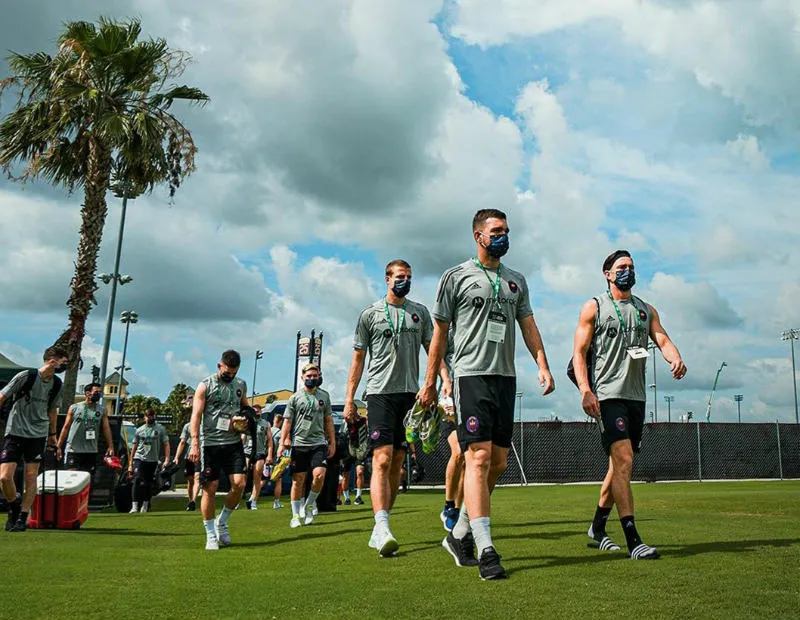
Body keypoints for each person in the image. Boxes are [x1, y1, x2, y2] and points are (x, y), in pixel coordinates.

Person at [419, 208, 555, 580]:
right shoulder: (455, 277)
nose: (503, 236)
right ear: (478, 235)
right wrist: (431, 382)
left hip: (504, 379)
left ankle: (460, 533)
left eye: (506, 231)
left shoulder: (516, 281)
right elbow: (439, 336)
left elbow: (528, 324)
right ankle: (486, 548)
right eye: (496, 231)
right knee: (476, 459)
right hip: (469, 376)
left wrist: (542, 365)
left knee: (497, 463)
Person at [572, 249, 686, 560]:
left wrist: (674, 356)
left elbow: (661, 338)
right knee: (623, 460)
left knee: (619, 465)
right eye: (621, 267)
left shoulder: (645, 309)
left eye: (631, 267)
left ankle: (597, 527)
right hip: (608, 394)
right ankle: (633, 540)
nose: (627, 271)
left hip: (637, 397)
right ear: (607, 274)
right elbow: (579, 353)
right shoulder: (594, 307)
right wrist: (585, 389)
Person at [344, 258, 450, 557]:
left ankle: (382, 524)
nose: (406, 281)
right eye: (400, 276)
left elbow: (433, 350)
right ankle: (381, 525)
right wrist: (350, 398)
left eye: (409, 276)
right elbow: (358, 360)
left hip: (411, 396)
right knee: (381, 459)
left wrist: (445, 380)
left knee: (397, 462)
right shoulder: (370, 315)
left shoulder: (420, 313)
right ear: (387, 279)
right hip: (379, 394)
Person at [188, 349, 250, 550]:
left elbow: (246, 408)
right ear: (219, 365)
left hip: (233, 442)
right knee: (210, 488)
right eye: (227, 371)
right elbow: (195, 417)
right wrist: (195, 443)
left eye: (233, 372)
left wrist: (246, 419)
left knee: (239, 484)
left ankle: (222, 521)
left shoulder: (240, 385)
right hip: (210, 444)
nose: (229, 375)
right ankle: (210, 535)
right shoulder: (205, 386)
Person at [0, 346, 67, 532]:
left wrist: (53, 437)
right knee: (5, 477)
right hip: (15, 431)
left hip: (38, 433)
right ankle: (14, 505)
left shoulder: (56, 384)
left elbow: (53, 411)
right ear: (52, 361)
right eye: (64, 362)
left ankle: (22, 516)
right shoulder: (26, 376)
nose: (65, 365)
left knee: (31, 476)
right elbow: (2, 396)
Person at [281, 363, 335, 528]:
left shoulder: (324, 396)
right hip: (299, 443)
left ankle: (310, 504)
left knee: (319, 475)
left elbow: (328, 420)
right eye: (309, 376)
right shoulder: (295, 398)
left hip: (318, 442)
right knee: (298, 480)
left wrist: (332, 441)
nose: (312, 378)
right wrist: (284, 441)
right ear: (302, 377)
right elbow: (287, 421)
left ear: (319, 376)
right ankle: (295, 515)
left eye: (315, 375)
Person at [57, 382, 114, 476]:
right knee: (71, 477)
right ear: (88, 393)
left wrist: (110, 446)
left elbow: (106, 429)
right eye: (96, 392)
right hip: (73, 450)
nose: (98, 394)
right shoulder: (74, 407)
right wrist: (58, 446)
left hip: (90, 451)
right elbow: (66, 427)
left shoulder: (102, 410)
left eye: (100, 392)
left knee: (87, 479)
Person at [128, 408, 170, 513]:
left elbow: (166, 444)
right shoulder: (139, 430)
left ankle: (146, 504)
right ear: (144, 417)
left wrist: (167, 459)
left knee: (147, 482)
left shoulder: (160, 428)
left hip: (152, 460)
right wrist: (130, 463)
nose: (150, 418)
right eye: (148, 416)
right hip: (140, 458)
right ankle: (134, 506)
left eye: (152, 416)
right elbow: (134, 446)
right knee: (136, 480)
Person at [245, 404, 274, 510]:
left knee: (257, 477)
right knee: (243, 475)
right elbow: (242, 437)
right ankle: (237, 499)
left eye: (258, 410)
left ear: (261, 412)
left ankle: (253, 500)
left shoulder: (266, 424)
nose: (256, 412)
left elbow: (270, 441)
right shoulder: (247, 422)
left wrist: (270, 455)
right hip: (247, 452)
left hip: (260, 452)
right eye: (254, 411)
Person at [174, 421, 200, 511]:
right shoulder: (188, 426)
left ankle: (193, 500)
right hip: (189, 457)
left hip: (201, 457)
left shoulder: (205, 425)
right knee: (190, 480)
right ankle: (190, 501)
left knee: (197, 478)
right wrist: (177, 457)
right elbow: (182, 442)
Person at [270, 411, 285, 509]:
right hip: (276, 459)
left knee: (260, 481)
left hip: (265, 458)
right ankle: (276, 502)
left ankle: (252, 499)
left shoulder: (268, 430)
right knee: (278, 481)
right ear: (280, 422)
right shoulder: (280, 433)